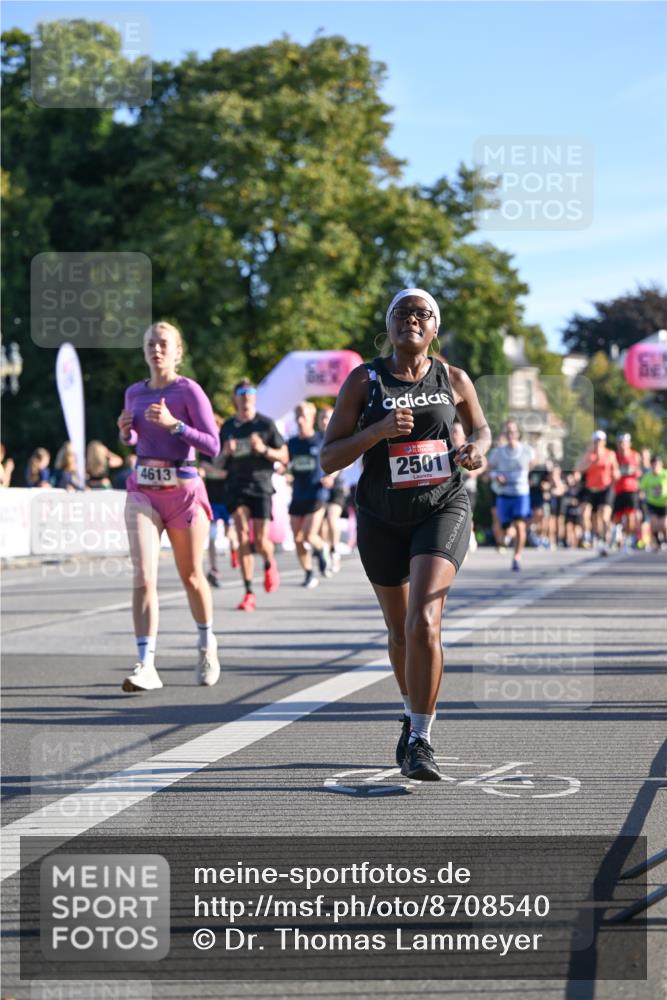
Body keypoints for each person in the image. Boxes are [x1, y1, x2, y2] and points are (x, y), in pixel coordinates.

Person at [321, 288, 491, 782]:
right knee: (399, 632)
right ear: (389, 325)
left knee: (424, 622)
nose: (411, 320)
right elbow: (329, 458)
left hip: (442, 506)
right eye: (402, 313)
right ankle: (408, 710)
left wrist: (475, 450)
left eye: (422, 314)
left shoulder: (453, 378)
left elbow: (481, 429)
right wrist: (376, 431)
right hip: (381, 515)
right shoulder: (364, 380)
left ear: (435, 328)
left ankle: (421, 737)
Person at [117, 320, 221, 691]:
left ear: (177, 351)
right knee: (144, 576)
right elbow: (136, 440)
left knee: (191, 576)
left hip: (184, 492)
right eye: (150, 344)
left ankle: (206, 643)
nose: (156, 349)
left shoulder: (189, 391)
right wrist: (125, 432)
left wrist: (175, 425)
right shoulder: (134, 393)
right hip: (143, 490)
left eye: (163, 343)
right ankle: (146, 664)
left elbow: (213, 445)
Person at [221, 380, 288, 611]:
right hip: (236, 486)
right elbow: (217, 462)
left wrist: (263, 449)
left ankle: (269, 562)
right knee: (241, 536)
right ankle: (248, 592)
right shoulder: (228, 426)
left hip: (261, 486)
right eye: (242, 392)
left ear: (254, 397)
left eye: (250, 392)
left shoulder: (265, 424)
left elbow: (284, 456)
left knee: (260, 541)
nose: (246, 396)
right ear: (235, 398)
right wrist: (225, 452)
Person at [287, 401, 332, 589]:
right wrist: (284, 471)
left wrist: (331, 475)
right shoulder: (292, 443)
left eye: (303, 416)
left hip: (317, 493)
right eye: (297, 416)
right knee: (297, 538)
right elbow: (286, 463)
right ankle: (308, 573)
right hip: (298, 494)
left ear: (312, 418)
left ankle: (322, 549)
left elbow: (339, 459)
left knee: (309, 535)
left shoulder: (322, 439)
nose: (300, 420)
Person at [487, 420, 534, 571]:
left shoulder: (527, 451)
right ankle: (507, 537)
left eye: (513, 432)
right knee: (506, 529)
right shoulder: (498, 453)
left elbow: (533, 464)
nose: (510, 435)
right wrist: (496, 476)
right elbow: (488, 469)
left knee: (520, 525)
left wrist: (527, 477)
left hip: (521, 493)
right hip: (504, 493)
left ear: (518, 434)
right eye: (507, 432)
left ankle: (517, 557)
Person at [200, 414, 240, 588]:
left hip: (227, 495)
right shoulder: (205, 445)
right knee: (212, 535)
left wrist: (220, 464)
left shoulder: (228, 443)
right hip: (212, 497)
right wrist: (217, 471)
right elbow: (206, 466)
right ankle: (214, 569)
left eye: (216, 425)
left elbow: (229, 469)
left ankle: (234, 551)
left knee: (231, 533)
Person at [577, 430, 619, 555]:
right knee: (585, 512)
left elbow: (616, 471)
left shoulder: (610, 454)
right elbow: (579, 469)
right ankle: (587, 536)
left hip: (605, 489)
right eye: (596, 441)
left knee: (604, 515)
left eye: (600, 441)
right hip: (590, 489)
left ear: (604, 442)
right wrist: (592, 462)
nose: (598, 443)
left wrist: (615, 475)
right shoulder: (588, 454)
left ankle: (605, 539)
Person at [317, 406, 347, 573]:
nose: (324, 421)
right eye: (321, 418)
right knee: (321, 525)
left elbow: (347, 460)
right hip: (319, 488)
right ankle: (326, 552)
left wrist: (332, 476)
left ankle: (335, 550)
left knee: (331, 517)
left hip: (337, 486)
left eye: (327, 417)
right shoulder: (315, 438)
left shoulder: (339, 435)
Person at [450, 420, 484, 553]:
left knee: (467, 515)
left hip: (468, 489)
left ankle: (470, 536)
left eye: (456, 432)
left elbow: (484, 462)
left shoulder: (468, 448)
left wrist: (475, 472)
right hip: (452, 490)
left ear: (463, 435)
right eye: (452, 431)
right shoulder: (447, 449)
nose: (454, 434)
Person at [612, 432, 641, 548]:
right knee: (617, 516)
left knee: (631, 516)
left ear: (629, 443)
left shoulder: (635, 455)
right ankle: (618, 536)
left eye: (624, 442)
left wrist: (622, 471)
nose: (622, 445)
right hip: (618, 490)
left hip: (631, 489)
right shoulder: (614, 456)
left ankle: (629, 538)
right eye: (620, 443)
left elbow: (637, 471)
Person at [639, 455, 667, 551]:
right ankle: (657, 541)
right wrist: (642, 494)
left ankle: (665, 539)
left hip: (664, 504)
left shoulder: (665, 474)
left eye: (657, 464)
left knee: (664, 524)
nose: (655, 466)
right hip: (652, 503)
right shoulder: (648, 476)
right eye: (653, 464)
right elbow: (642, 488)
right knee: (654, 523)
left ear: (661, 464)